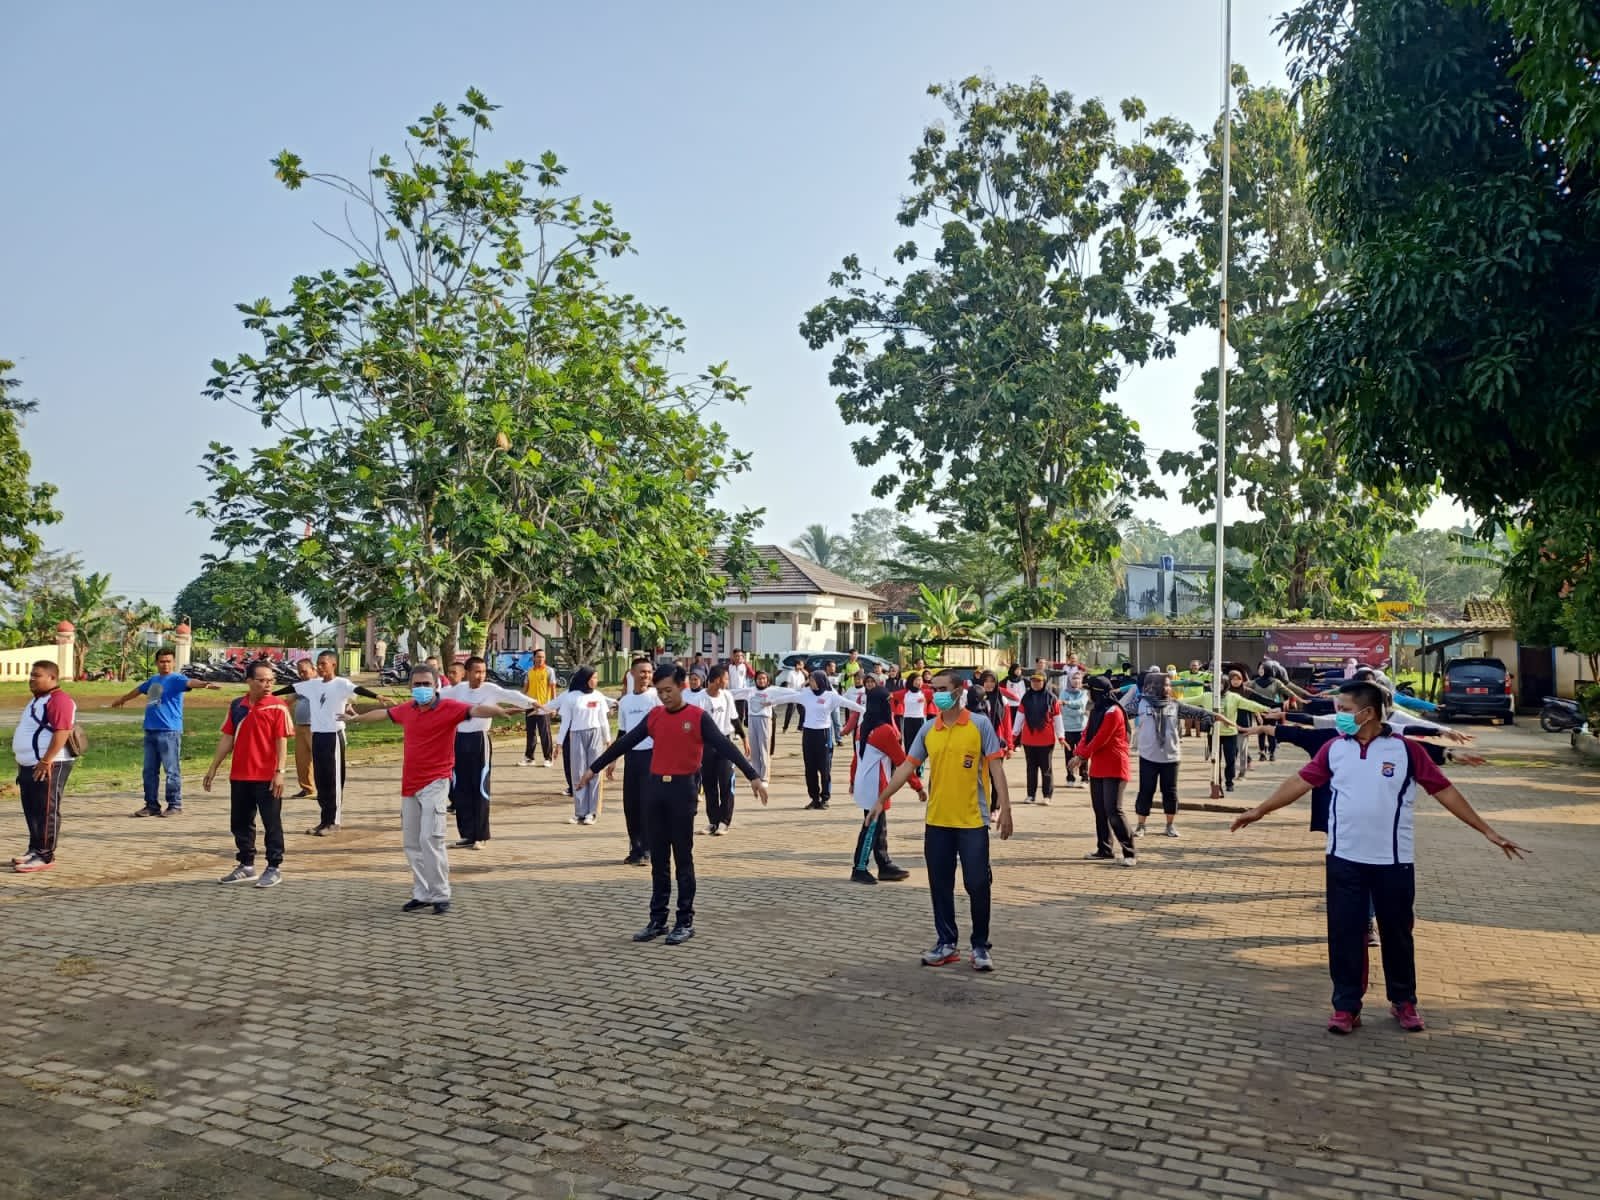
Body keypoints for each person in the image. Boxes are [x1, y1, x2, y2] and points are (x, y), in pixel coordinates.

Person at [1231, 680, 1527, 1034]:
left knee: (1397, 934)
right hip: (1343, 858)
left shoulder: (1406, 751)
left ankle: (1404, 1002)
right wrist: (1260, 810)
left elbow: (1445, 791)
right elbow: (1300, 782)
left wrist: (1487, 831)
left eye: (1343, 709)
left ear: (1367, 712)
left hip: (1393, 861)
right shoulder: (1333, 750)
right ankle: (1346, 1006)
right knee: (1345, 934)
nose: (1337, 715)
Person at [578, 664, 769, 945]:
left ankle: (684, 920)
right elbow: (626, 742)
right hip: (655, 791)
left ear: (681, 686)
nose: (664, 696)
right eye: (660, 691)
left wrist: (753, 776)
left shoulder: (697, 717)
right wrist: (593, 769)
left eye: (668, 690)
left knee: (682, 858)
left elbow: (725, 746)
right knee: (658, 859)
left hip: (683, 791)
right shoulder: (654, 716)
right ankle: (657, 919)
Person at [871, 671, 1014, 971]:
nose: (937, 695)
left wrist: (1007, 810)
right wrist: (881, 799)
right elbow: (906, 767)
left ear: (960, 690)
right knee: (940, 884)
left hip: (973, 821)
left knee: (977, 884)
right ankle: (946, 943)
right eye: (933, 690)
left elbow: (996, 770)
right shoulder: (928, 730)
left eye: (943, 689)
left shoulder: (980, 725)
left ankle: (980, 946)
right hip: (937, 821)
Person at [346, 664, 515, 914]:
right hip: (409, 785)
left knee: (431, 839)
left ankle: (440, 894)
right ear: (410, 687)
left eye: (427, 684)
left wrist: (498, 711)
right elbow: (384, 714)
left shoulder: (449, 708)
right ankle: (422, 893)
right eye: (417, 684)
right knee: (412, 842)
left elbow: (476, 709)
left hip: (436, 782)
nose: (422, 688)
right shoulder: (408, 709)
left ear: (437, 685)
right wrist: (356, 718)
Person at [206, 661, 293, 889]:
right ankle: (246, 864)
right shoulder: (237, 706)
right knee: (240, 822)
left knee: (271, 822)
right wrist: (214, 767)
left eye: (271, 680)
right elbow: (227, 738)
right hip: (240, 775)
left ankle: (274, 866)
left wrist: (280, 772)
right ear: (249, 681)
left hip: (267, 776)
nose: (268, 685)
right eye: (262, 680)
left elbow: (281, 742)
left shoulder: (278, 706)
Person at [1120, 671, 1233, 838]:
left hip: (1171, 757)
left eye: (1167, 685)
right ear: (1150, 686)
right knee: (1146, 791)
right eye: (1162, 684)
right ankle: (1141, 825)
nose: (1166, 688)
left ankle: (1170, 825)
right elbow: (1118, 715)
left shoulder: (1174, 705)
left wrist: (1217, 717)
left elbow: (1198, 713)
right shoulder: (1140, 704)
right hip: (1148, 756)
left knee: (1170, 792)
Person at [112, 646, 220, 817]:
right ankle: (151, 805)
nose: (165, 665)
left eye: (168, 661)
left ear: (174, 662)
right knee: (149, 771)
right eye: (162, 661)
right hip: (150, 731)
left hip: (169, 732)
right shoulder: (154, 680)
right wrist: (122, 699)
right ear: (156, 663)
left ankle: (175, 805)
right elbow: (138, 690)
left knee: (171, 770)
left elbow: (191, 682)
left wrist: (205, 685)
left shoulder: (177, 678)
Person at [289, 650, 386, 837]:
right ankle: (324, 820)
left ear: (333, 664)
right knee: (321, 780)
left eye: (324, 663)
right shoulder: (313, 684)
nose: (320, 666)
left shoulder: (341, 683)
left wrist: (377, 697)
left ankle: (335, 821)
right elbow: (291, 689)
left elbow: (357, 690)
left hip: (333, 736)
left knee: (334, 781)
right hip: (317, 735)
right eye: (318, 663)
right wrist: (264, 694)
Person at [440, 655, 533, 849]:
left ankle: (480, 835)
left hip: (479, 740)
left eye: (483, 672)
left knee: (480, 787)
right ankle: (466, 834)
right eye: (476, 671)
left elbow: (512, 696)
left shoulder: (491, 689)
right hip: (459, 740)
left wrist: (533, 703)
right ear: (467, 673)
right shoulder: (458, 690)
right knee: (460, 789)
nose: (480, 676)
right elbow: (437, 699)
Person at [11, 660, 77, 873]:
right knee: (32, 809)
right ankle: (35, 848)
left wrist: (46, 760)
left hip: (50, 764)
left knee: (46, 809)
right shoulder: (37, 700)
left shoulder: (59, 701)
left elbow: (62, 732)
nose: (31, 679)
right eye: (31, 675)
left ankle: (45, 854)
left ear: (52, 678)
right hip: (30, 764)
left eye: (37, 675)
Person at [848, 688, 917, 884]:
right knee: (871, 828)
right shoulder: (885, 731)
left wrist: (853, 780)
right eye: (888, 703)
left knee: (880, 828)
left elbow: (856, 758)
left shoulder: (864, 726)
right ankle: (859, 868)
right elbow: (903, 762)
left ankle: (884, 864)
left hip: (865, 782)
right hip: (875, 786)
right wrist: (917, 786)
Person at [1070, 675, 1137, 865]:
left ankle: (1129, 851)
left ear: (1097, 692)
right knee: (1100, 809)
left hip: (1115, 765)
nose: (1088, 693)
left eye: (1089, 690)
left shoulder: (1114, 711)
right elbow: (1086, 734)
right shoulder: (1097, 710)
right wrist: (1080, 753)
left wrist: (1081, 756)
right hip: (1098, 766)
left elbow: (1101, 738)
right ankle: (1104, 848)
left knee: (1114, 810)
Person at [784, 669, 863, 809]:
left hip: (824, 734)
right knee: (810, 768)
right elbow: (789, 697)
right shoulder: (806, 693)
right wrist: (770, 701)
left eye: (813, 680)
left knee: (824, 768)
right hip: (808, 734)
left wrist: (865, 710)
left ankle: (825, 798)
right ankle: (814, 798)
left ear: (820, 681)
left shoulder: (831, 695)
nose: (810, 682)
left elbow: (848, 704)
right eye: (810, 680)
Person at [609, 657, 661, 865]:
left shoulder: (656, 699)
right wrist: (613, 758)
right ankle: (635, 847)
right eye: (642, 672)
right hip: (632, 757)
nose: (646, 676)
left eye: (649, 672)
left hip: (651, 755)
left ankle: (648, 849)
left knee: (648, 804)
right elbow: (622, 732)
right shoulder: (626, 701)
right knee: (631, 805)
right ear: (632, 673)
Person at [545, 667, 612, 825]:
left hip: (595, 735)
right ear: (584, 678)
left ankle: (592, 812)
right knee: (578, 773)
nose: (596, 681)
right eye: (593, 677)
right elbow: (565, 723)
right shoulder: (571, 697)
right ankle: (580, 812)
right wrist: (559, 744)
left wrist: (608, 740)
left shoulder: (599, 696)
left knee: (594, 771)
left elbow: (603, 720)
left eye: (596, 678)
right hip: (576, 735)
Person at [697, 664, 749, 835]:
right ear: (717, 680)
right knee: (709, 784)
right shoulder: (700, 699)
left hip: (725, 743)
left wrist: (744, 738)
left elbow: (734, 719)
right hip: (706, 745)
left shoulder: (727, 696)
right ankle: (712, 821)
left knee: (726, 783)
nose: (728, 682)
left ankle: (724, 821)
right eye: (726, 679)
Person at [1216, 670, 1282, 792]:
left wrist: (1272, 707)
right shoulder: (1217, 695)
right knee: (1229, 755)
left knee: (1242, 751)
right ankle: (1219, 779)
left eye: (1239, 679)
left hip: (1243, 725)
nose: (1236, 681)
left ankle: (1240, 774)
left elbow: (1254, 702)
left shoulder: (1245, 692)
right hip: (1224, 729)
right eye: (1233, 679)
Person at [1013, 672, 1064, 806]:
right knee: (1031, 769)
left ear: (1044, 682)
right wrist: (1014, 735)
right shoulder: (1026, 698)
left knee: (1046, 769)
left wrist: (1061, 736)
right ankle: (1031, 795)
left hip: (1046, 740)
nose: (1035, 683)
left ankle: (1047, 795)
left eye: (1039, 681)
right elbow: (1019, 717)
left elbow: (1057, 719)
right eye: (1033, 681)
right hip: (1029, 740)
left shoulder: (1051, 698)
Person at [520, 647, 560, 767]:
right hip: (530, 706)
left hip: (544, 707)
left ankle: (548, 758)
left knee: (544, 733)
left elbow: (553, 689)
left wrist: (553, 706)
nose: (541, 659)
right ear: (534, 658)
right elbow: (525, 689)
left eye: (543, 657)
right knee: (530, 733)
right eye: (538, 656)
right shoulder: (529, 671)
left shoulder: (549, 671)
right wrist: (521, 702)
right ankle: (529, 758)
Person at [287, 658, 317, 799]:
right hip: (300, 726)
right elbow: (288, 700)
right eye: (299, 672)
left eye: (304, 671)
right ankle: (307, 788)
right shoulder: (300, 686)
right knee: (302, 760)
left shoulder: (323, 684)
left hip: (315, 727)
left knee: (319, 760)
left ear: (313, 670)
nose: (302, 675)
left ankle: (324, 790)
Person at [1059, 670, 1089, 787]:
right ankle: (1070, 777)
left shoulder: (1084, 693)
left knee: (1083, 754)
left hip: (1081, 728)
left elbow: (1081, 704)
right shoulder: (1063, 692)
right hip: (1067, 728)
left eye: (1078, 679)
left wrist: (1067, 703)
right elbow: (1064, 710)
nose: (1076, 681)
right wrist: (1075, 709)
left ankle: (1084, 777)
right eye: (1074, 678)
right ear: (1070, 680)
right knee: (1069, 754)